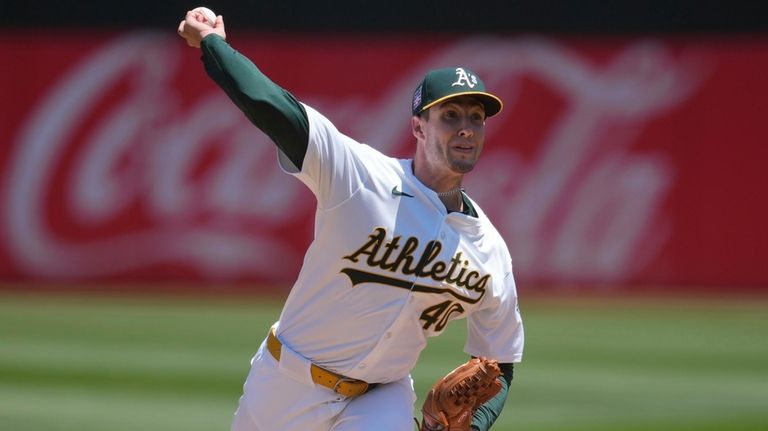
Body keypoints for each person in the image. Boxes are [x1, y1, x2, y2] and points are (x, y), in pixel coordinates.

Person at [177, 9, 524, 431]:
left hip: (381, 396)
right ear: (418, 127)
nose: (466, 128)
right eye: (450, 115)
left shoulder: (489, 251)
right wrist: (213, 44)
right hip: (288, 382)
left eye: (476, 117)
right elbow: (272, 106)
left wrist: (475, 424)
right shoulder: (360, 175)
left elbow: (500, 358)